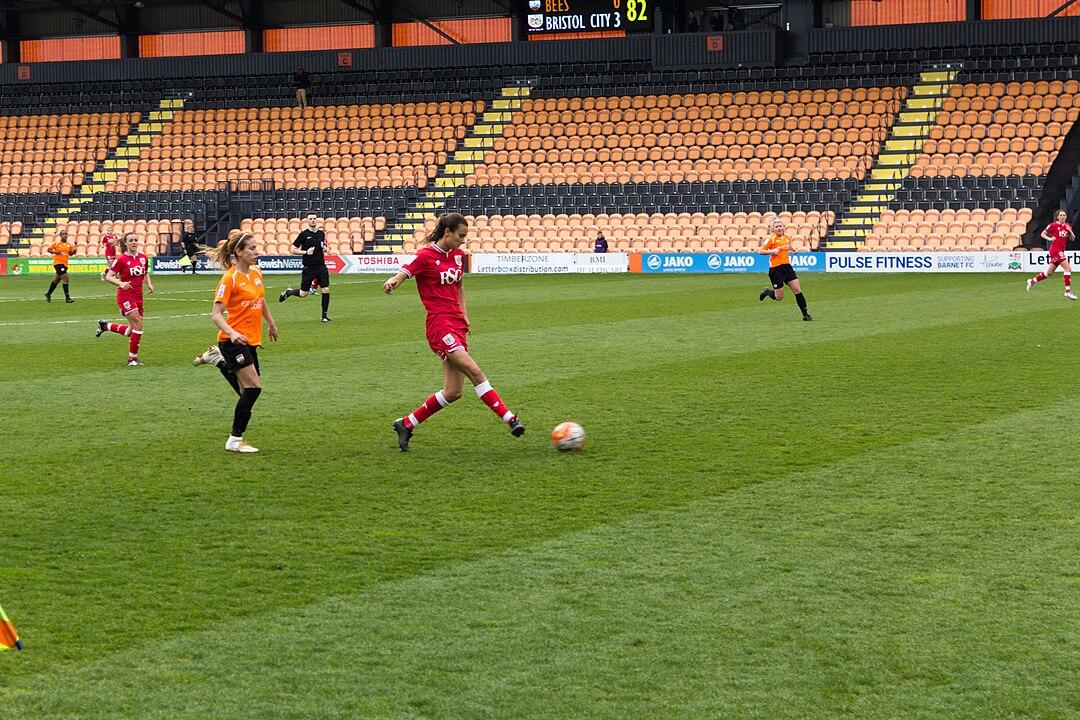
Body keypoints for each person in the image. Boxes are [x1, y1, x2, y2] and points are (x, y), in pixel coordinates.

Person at [382, 212, 525, 452]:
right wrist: (393, 281)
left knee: (453, 392)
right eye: (460, 236)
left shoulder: (459, 257)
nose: (463, 240)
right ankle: (510, 419)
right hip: (439, 326)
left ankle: (406, 424)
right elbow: (406, 271)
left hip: (457, 325)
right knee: (475, 371)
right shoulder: (426, 256)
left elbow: (459, 285)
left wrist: (464, 313)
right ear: (447, 232)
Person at [206, 230, 278, 453]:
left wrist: (271, 322)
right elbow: (216, 314)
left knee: (246, 391)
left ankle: (218, 361)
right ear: (239, 252)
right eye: (252, 248)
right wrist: (232, 333)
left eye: (256, 248)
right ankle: (235, 440)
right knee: (253, 389)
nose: (257, 252)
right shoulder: (229, 279)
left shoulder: (256, 272)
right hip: (232, 340)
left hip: (251, 339)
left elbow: (260, 299)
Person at [96, 232, 154, 366]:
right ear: (126, 243)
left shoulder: (143, 257)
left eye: (136, 240)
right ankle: (132, 359)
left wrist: (149, 284)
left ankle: (105, 326)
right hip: (125, 296)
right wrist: (120, 283)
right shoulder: (121, 259)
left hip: (138, 296)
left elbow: (145, 273)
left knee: (130, 331)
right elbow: (109, 276)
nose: (134, 242)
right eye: (131, 240)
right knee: (138, 325)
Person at [278, 214, 331, 322]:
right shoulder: (303, 235)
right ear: (307, 221)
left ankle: (324, 316)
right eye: (310, 219)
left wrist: (324, 248)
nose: (313, 220)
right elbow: (293, 250)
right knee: (303, 294)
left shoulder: (321, 233)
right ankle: (289, 292)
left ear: (317, 220)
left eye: (314, 218)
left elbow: (320, 244)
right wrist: (306, 252)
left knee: (325, 289)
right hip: (309, 268)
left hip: (321, 266)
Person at [758, 219, 812, 321]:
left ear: (784, 227)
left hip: (787, 267)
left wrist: (793, 249)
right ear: (773, 229)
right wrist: (772, 251)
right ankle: (767, 291)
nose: (779, 228)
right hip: (775, 270)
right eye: (777, 227)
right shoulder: (771, 239)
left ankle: (806, 315)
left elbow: (787, 247)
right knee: (779, 297)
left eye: (780, 226)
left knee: (797, 290)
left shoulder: (787, 237)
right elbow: (760, 251)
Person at [1027, 210, 1077, 299]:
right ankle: (1067, 291)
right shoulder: (1053, 225)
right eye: (1061, 215)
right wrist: (1050, 239)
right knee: (1068, 268)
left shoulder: (1067, 226)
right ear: (1057, 217)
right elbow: (1043, 234)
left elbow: (1073, 239)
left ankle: (1032, 281)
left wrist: (1070, 231)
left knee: (1049, 272)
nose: (1063, 217)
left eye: (1064, 215)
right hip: (1055, 250)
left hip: (1061, 250)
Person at [45, 227, 75, 303]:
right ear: (60, 236)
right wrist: (56, 252)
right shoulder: (56, 243)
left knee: (57, 280)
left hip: (65, 264)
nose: (65, 235)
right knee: (66, 278)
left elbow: (70, 253)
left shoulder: (69, 245)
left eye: (66, 234)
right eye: (63, 234)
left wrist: (74, 251)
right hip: (58, 263)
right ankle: (67, 298)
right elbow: (48, 250)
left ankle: (48, 294)